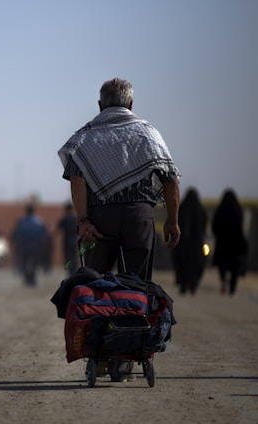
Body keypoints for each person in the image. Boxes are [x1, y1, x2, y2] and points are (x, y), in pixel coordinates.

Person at [58, 77, 181, 382]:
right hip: (139, 216)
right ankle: (125, 360)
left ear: (100, 105)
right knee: (136, 286)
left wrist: (84, 221)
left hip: (99, 220)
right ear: (130, 104)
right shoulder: (147, 132)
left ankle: (99, 357)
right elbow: (170, 179)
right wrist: (172, 220)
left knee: (97, 287)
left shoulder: (87, 136)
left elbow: (77, 180)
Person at [211, 189, 248, 295]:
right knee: (234, 267)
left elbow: (215, 227)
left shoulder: (220, 210)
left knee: (222, 265)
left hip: (223, 244)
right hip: (235, 245)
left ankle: (223, 280)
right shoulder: (238, 210)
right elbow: (240, 227)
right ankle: (232, 287)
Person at [172, 188, 208, 295]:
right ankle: (193, 285)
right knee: (196, 264)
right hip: (196, 245)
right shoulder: (201, 210)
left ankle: (183, 284)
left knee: (182, 262)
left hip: (182, 244)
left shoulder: (181, 209)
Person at [12, 204, 47, 286]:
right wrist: (42, 245)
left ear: (26, 211)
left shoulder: (22, 221)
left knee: (24, 262)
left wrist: (18, 244)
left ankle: (27, 278)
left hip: (24, 245)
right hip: (35, 246)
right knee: (34, 263)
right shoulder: (38, 221)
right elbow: (42, 235)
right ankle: (33, 278)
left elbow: (18, 234)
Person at [57, 202, 79, 276]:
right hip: (75, 242)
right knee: (75, 257)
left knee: (68, 258)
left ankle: (70, 273)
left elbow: (58, 230)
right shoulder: (76, 219)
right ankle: (74, 272)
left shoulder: (64, 219)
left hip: (67, 242)